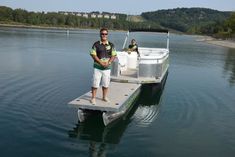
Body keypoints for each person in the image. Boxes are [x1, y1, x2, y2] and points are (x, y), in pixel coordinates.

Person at [90, 28, 117, 105]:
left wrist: (109, 62)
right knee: (95, 83)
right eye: (102, 34)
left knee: (106, 83)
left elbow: (114, 55)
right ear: (100, 34)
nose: (104, 35)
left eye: (105, 34)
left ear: (107, 35)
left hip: (107, 68)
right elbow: (93, 54)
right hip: (97, 68)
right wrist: (100, 62)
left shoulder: (111, 45)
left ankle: (104, 97)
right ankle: (93, 98)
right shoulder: (96, 44)